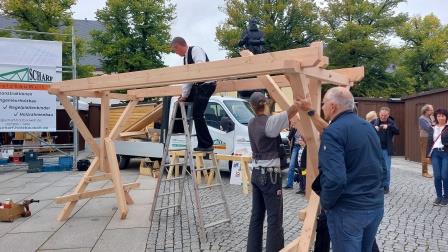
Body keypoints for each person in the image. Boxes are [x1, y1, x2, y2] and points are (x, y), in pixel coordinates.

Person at [297, 87, 385, 252]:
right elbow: (382, 169)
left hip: (348, 211)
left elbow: (335, 179)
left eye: (323, 104)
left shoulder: (334, 132)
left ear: (332, 107)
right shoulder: (368, 128)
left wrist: (327, 204)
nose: (322, 108)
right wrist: (311, 111)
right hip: (374, 207)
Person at [247, 92, 300, 252]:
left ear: (252, 107)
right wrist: (302, 100)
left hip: (256, 173)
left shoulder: (251, 122)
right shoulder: (270, 123)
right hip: (270, 176)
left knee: (256, 217)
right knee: (274, 219)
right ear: (266, 104)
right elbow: (291, 111)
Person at [171, 37, 217, 151]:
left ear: (178, 46)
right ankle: (179, 129)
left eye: (175, 50)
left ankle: (206, 144)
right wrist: (184, 95)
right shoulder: (185, 59)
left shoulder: (195, 50)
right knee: (180, 103)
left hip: (206, 84)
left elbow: (199, 68)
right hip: (198, 85)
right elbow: (188, 80)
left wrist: (186, 94)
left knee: (197, 114)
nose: (176, 53)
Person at [372, 107, 399, 194]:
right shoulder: (374, 122)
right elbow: (366, 128)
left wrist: (388, 127)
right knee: (377, 168)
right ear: (379, 114)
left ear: (388, 115)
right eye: (382, 115)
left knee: (386, 169)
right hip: (375, 149)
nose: (383, 117)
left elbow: (397, 131)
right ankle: (378, 186)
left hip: (386, 149)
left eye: (385, 115)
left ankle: (385, 186)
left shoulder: (391, 122)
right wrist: (374, 127)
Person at [426, 108, 448, 206]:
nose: (440, 118)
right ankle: (439, 196)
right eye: (438, 116)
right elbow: (430, 142)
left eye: (442, 116)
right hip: (435, 153)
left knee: (444, 175)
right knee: (437, 176)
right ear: (436, 117)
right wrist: (428, 155)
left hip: (446, 153)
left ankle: (446, 197)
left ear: (446, 117)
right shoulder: (433, 127)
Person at [419, 104, 435, 178]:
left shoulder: (430, 118)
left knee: (430, 154)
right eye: (431, 110)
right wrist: (435, 125)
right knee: (424, 154)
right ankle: (424, 172)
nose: (432, 111)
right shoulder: (422, 118)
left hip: (431, 137)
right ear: (426, 111)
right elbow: (429, 129)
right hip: (425, 138)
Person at [284, 122, 301, 189]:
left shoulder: (306, 126)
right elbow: (289, 137)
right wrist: (293, 128)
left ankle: (303, 186)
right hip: (296, 147)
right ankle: (289, 184)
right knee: (291, 165)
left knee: (303, 166)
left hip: (304, 147)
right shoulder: (294, 128)